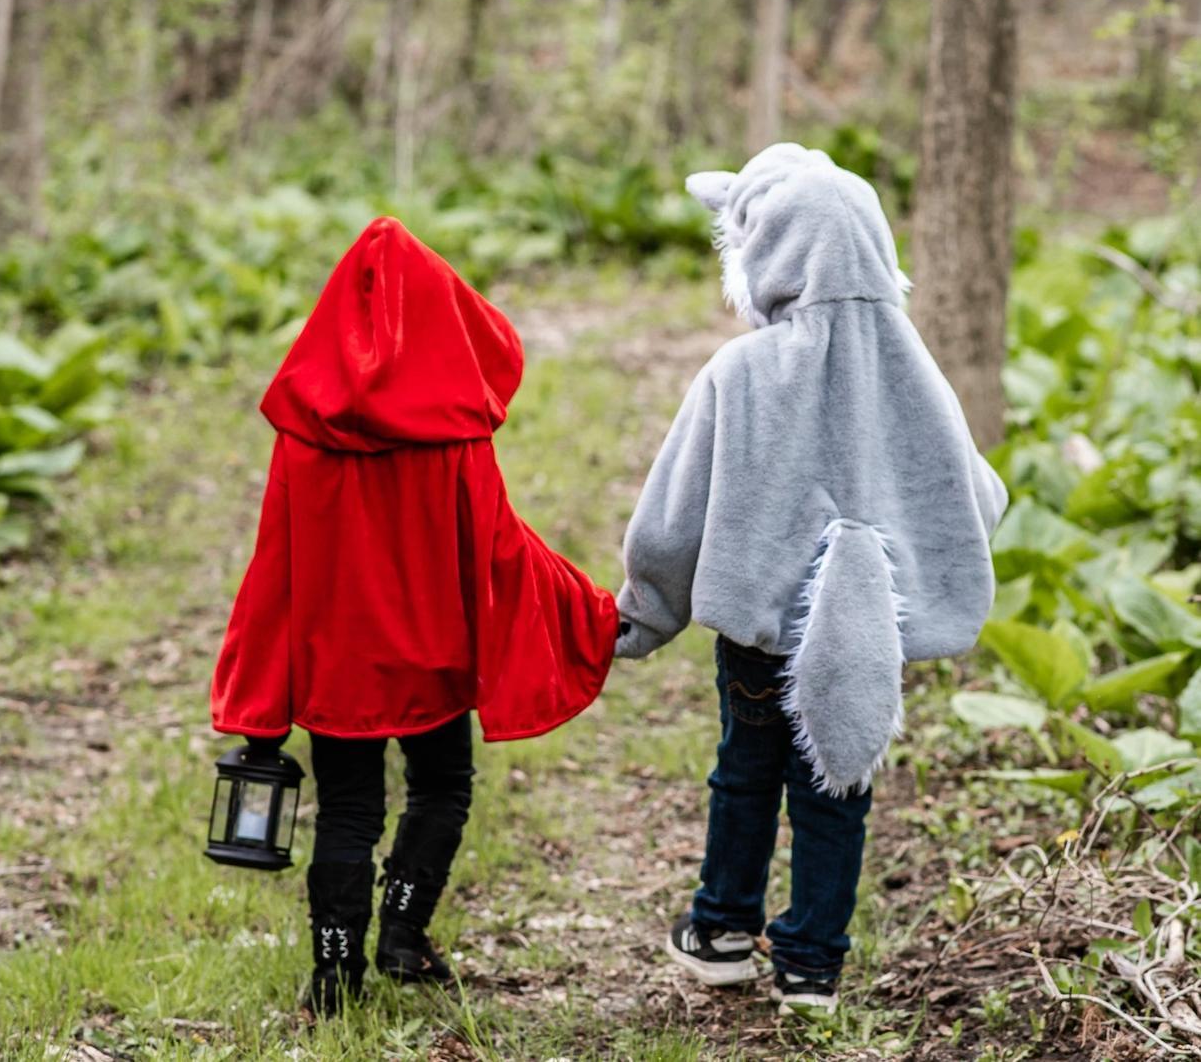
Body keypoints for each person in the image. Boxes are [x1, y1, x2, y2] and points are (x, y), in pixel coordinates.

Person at [613, 144, 1007, 1015]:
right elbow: (979, 494)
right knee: (839, 788)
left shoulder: (740, 373)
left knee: (745, 771)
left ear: (767, 257)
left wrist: (644, 613)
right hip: (869, 634)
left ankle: (720, 930)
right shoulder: (916, 374)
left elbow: (675, 517)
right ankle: (813, 964)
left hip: (762, 628)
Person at [211, 217, 618, 1015]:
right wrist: (592, 608)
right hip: (433, 659)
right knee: (441, 789)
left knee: (350, 811)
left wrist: (260, 707)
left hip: (339, 666)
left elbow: (275, 573)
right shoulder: (454, 438)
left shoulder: (305, 439)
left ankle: (334, 976)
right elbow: (501, 548)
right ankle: (402, 932)